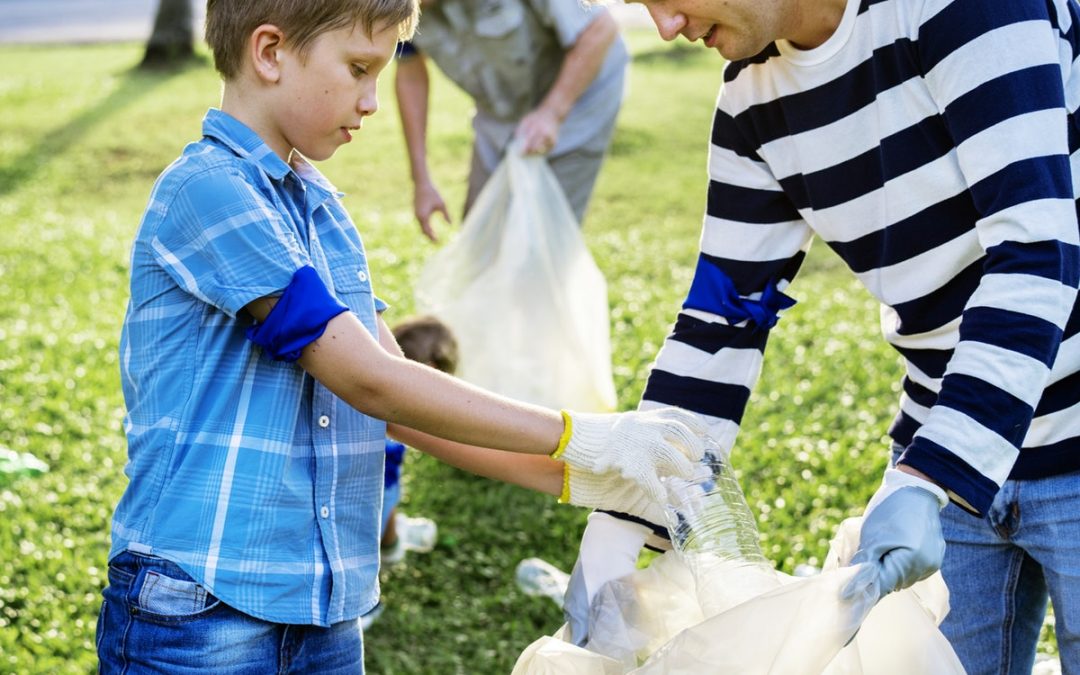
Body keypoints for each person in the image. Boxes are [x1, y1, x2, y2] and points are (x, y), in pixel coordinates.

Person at [94, 1, 710, 672]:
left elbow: (405, 404)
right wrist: (586, 433)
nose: (372, 101)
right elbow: (370, 378)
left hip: (323, 608)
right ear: (269, 52)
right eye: (359, 69)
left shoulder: (319, 211)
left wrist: (589, 477)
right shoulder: (209, 192)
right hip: (200, 609)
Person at [565, 0, 1080, 673]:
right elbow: (723, 322)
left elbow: (1038, 256)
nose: (664, 27)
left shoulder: (965, 10)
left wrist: (929, 478)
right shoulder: (753, 103)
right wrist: (622, 521)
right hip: (945, 443)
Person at [393, 0, 628, 240]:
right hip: (499, 112)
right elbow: (410, 73)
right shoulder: (402, 5)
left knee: (542, 238)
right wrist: (421, 181)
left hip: (578, 99)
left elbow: (600, 27)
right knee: (479, 232)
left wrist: (552, 113)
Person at [361, 315, 457, 629]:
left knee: (388, 507)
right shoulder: (398, 414)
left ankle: (392, 546)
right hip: (364, 497)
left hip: (384, 487)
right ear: (429, 372)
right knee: (364, 539)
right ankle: (364, 604)